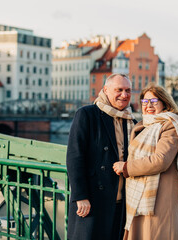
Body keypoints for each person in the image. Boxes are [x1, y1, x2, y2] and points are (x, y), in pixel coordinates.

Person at [113, 83, 178, 240]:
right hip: (140, 195)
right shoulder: (143, 126)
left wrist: (126, 167)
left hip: (159, 197)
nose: (148, 106)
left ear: (164, 103)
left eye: (154, 101)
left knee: (156, 234)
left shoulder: (170, 124)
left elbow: (161, 160)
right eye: (145, 102)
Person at [66, 73, 136, 240]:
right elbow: (75, 157)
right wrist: (80, 196)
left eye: (128, 90)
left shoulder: (131, 121)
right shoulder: (88, 114)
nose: (124, 95)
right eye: (119, 90)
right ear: (105, 90)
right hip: (92, 199)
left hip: (120, 202)